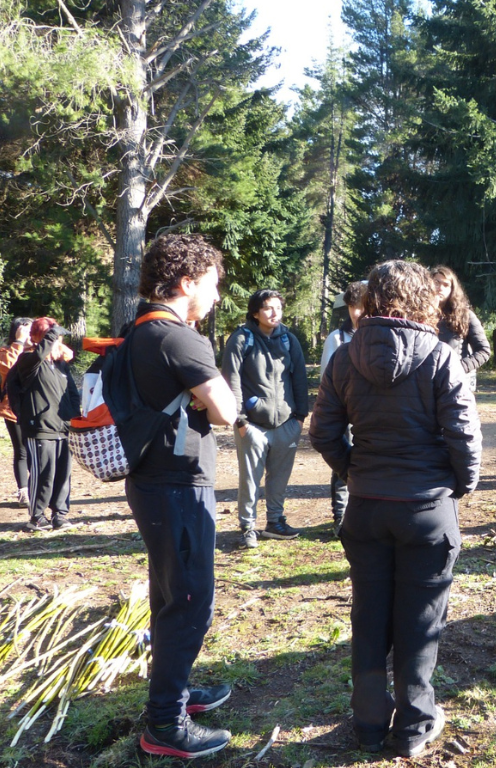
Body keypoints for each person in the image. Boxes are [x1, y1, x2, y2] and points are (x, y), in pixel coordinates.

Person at [309, 260, 481, 758]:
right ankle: (412, 726)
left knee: (368, 616)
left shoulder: (345, 356)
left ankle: (368, 724)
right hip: (425, 509)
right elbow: (464, 435)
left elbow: (323, 432)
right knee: (420, 620)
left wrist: (355, 472)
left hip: (367, 507)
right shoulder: (440, 355)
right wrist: (460, 484)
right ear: (421, 298)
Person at [122, 234, 238, 757]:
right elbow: (226, 411)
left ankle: (177, 694)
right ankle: (165, 725)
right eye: (212, 284)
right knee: (189, 602)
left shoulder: (138, 329)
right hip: (177, 485)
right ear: (187, 282)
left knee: (170, 596)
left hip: (152, 481)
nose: (217, 295)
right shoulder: (179, 338)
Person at [222, 289, 309, 548]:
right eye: (268, 308)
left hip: (286, 423)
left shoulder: (289, 340)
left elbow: (299, 378)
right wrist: (240, 420)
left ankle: (275, 522)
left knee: (279, 477)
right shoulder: (241, 339)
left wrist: (300, 417)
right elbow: (231, 379)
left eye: (278, 308)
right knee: (250, 478)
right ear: (255, 312)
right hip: (252, 424)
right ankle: (247, 527)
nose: (274, 313)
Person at [6, 318, 80, 532]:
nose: (59, 342)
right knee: (43, 474)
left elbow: (71, 392)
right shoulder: (27, 361)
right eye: (54, 338)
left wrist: (75, 418)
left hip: (63, 428)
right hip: (39, 428)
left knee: (63, 474)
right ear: (42, 339)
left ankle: (60, 514)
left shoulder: (59, 365)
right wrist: (52, 334)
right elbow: (39, 355)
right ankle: (37, 517)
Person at [319, 280, 368, 539]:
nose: (356, 312)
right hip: (344, 413)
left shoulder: (375, 335)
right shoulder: (336, 338)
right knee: (343, 463)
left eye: (360, 306)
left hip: (367, 413)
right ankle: (340, 517)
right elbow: (326, 380)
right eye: (351, 306)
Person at [430, 266, 491, 391]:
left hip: (454, 385)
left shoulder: (465, 315)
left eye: (446, 285)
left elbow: (483, 351)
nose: (440, 288)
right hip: (425, 384)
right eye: (436, 282)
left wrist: (458, 368)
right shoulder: (417, 315)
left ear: (452, 289)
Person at [1, 318, 32, 507]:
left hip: (37, 409)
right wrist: (19, 343)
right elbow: (8, 368)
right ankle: (24, 492)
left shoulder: (39, 351)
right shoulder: (5, 352)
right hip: (13, 409)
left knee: (37, 449)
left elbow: (67, 354)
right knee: (21, 450)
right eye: (27, 331)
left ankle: (38, 487)